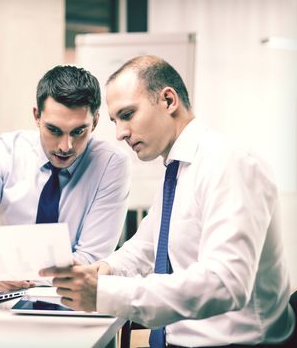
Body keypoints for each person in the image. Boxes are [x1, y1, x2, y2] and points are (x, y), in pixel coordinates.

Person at [40, 55, 296, 347]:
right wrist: (103, 270)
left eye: (127, 115)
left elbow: (226, 284)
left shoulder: (229, 163)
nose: (120, 133)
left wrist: (104, 293)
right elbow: (145, 247)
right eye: (114, 121)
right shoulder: (178, 169)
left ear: (169, 101)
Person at [0, 65, 131, 291]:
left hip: (71, 301)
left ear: (95, 122)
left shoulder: (111, 164)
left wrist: (11, 274)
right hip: (5, 299)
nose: (65, 146)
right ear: (37, 116)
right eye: (54, 130)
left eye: (78, 132)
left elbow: (90, 260)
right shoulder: (7, 151)